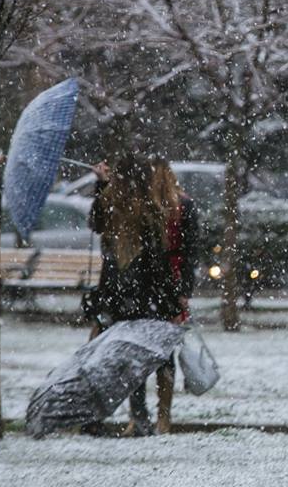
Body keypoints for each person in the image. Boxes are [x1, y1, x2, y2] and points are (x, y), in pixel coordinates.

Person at [85, 154, 184, 436]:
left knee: (130, 358)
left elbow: (96, 224)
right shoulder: (146, 207)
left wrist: (101, 186)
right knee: (154, 355)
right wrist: (172, 296)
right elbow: (159, 258)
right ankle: (154, 418)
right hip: (145, 293)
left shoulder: (115, 203)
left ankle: (137, 417)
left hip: (119, 292)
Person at [146, 156, 200, 434]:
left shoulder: (180, 206)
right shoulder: (151, 207)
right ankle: (159, 415)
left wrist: (182, 290)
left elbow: (190, 252)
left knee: (160, 353)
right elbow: (191, 253)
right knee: (159, 353)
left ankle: (159, 415)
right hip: (158, 286)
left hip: (162, 286)